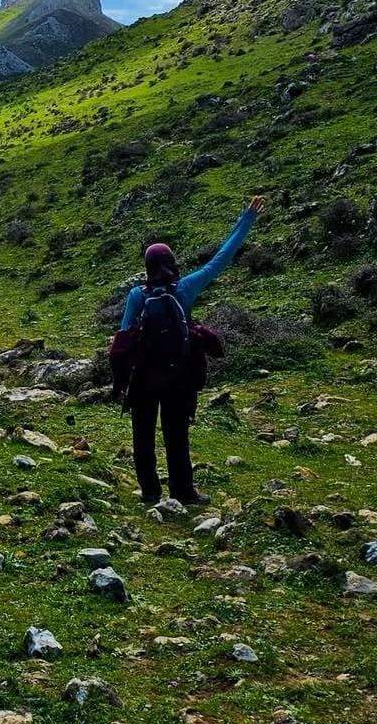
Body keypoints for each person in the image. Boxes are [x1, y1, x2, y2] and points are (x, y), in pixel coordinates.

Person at [110, 195, 266, 506]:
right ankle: (183, 491)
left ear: (147, 266)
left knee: (143, 436)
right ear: (172, 263)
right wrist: (247, 218)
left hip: (144, 377)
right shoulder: (185, 288)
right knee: (177, 435)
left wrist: (119, 378)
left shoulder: (137, 296)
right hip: (178, 375)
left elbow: (124, 336)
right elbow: (221, 257)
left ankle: (151, 493)